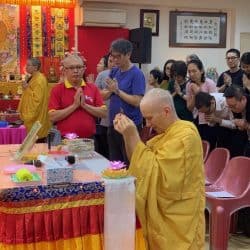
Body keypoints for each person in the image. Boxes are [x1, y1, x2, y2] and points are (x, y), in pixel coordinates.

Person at [114, 88, 205, 250]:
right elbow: (138, 160)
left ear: (166, 111)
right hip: (164, 215)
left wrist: (134, 135)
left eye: (149, 118)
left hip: (179, 218)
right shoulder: (164, 134)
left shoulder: (186, 135)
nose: (148, 124)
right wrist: (128, 135)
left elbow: (164, 180)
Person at [105, 39, 145, 164]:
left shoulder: (137, 74)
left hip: (130, 126)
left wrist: (117, 91)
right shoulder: (115, 71)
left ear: (128, 54)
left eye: (118, 57)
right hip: (114, 123)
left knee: (130, 163)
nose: (115, 60)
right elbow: (106, 94)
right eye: (113, 56)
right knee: (115, 163)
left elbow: (137, 101)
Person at [48, 54, 107, 138]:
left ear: (83, 69)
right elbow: (52, 117)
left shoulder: (92, 88)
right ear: (64, 70)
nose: (76, 71)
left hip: (89, 140)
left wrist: (84, 105)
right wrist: (74, 105)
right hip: (65, 140)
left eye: (79, 67)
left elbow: (104, 113)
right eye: (71, 68)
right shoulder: (57, 90)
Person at [186, 59, 217, 150]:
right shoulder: (189, 85)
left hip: (209, 120)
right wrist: (195, 94)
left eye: (194, 71)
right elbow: (190, 108)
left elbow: (214, 105)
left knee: (209, 148)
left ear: (201, 70)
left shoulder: (209, 83)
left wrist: (199, 92)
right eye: (189, 72)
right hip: (197, 120)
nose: (191, 74)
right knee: (197, 148)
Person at [18, 58, 51, 142]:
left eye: (28, 65)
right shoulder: (33, 77)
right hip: (34, 118)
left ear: (35, 67)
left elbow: (37, 100)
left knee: (38, 143)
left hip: (38, 117)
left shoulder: (40, 80)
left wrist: (27, 88)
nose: (26, 67)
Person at [95, 53, 114, 158]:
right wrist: (110, 91)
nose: (113, 64)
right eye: (110, 61)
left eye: (114, 60)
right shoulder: (102, 75)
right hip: (105, 118)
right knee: (104, 149)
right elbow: (96, 94)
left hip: (119, 119)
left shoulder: (125, 74)